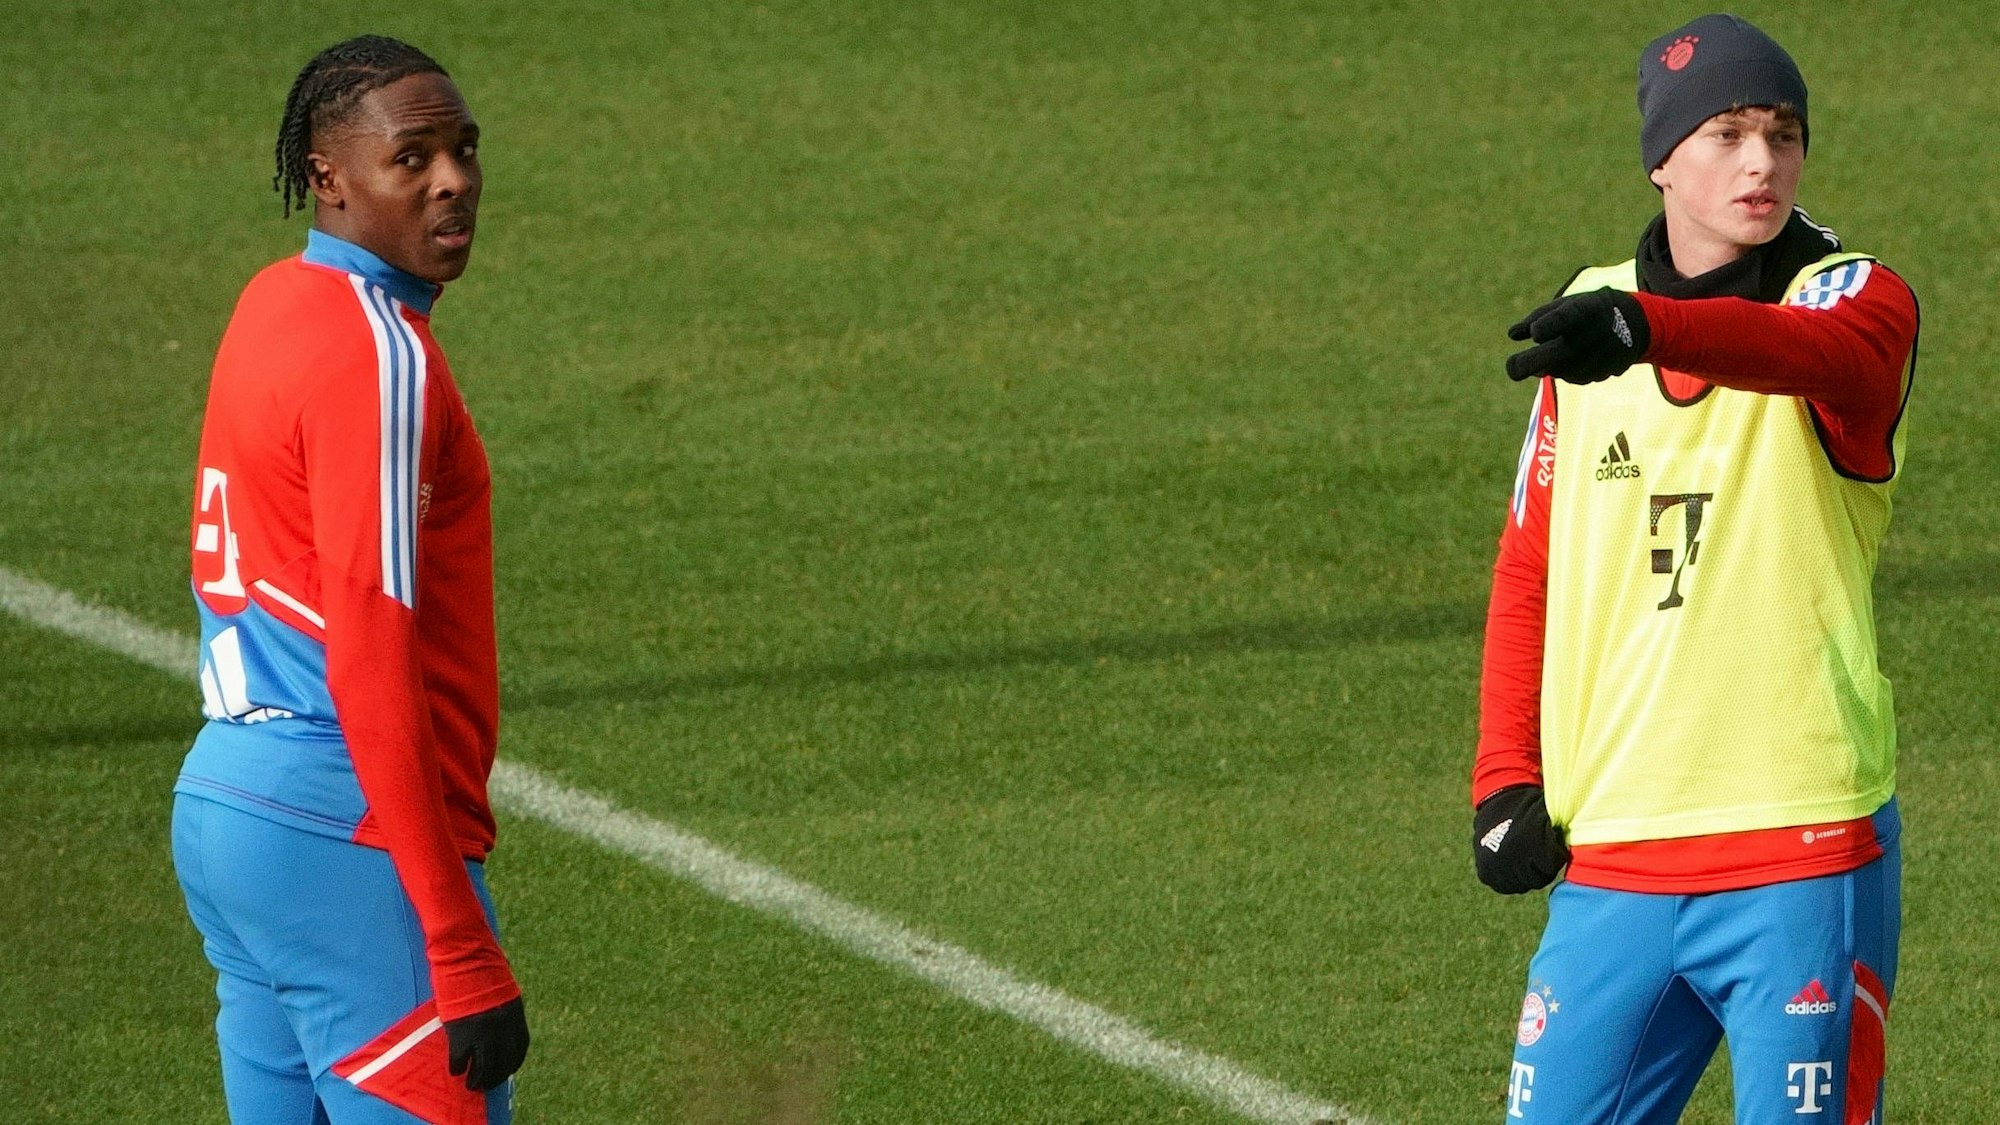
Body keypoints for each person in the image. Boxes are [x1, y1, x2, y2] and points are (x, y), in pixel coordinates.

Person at [1472, 13, 1917, 1123]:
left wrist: (1646, 327)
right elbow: (1532, 563)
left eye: (1781, 133)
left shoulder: (1852, 295)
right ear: (1660, 157)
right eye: (1724, 133)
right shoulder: (1588, 320)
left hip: (1801, 847)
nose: (1760, 162)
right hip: (1615, 848)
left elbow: (1810, 356)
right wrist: (1498, 778)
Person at [172, 36, 528, 1124]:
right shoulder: (380, 354)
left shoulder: (272, 304)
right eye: (410, 158)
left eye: (462, 151)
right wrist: (458, 948)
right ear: (328, 178)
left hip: (230, 808)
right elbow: (368, 647)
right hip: (345, 832)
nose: (452, 180)